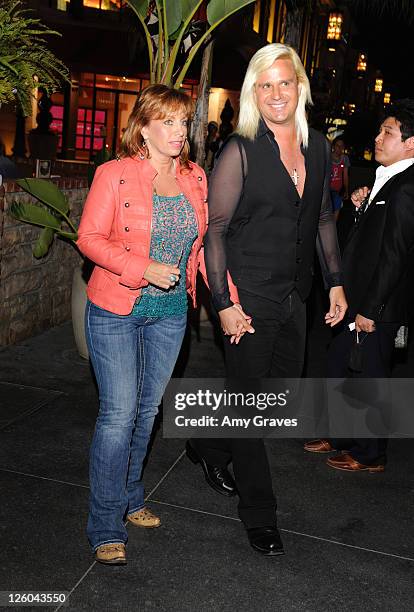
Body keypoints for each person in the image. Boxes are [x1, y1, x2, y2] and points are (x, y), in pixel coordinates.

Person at [186, 43, 347, 556]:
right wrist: (224, 302)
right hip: (247, 294)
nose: (277, 93)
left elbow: (322, 218)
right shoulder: (240, 149)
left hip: (295, 294)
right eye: (266, 85)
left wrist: (336, 280)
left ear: (299, 86)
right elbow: (215, 229)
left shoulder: (319, 147)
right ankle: (260, 514)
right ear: (255, 93)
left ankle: (208, 443)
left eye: (285, 82)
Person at [77, 84, 208, 565]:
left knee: (147, 412)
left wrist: (229, 300)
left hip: (171, 315)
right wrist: (142, 267)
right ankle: (105, 523)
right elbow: (88, 238)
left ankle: (131, 496)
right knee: (118, 415)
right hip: (116, 308)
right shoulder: (115, 174)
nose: (178, 131)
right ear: (144, 126)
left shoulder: (195, 177)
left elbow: (200, 248)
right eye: (168, 122)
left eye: (183, 122)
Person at [305, 99, 414, 471]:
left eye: (388, 132)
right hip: (352, 298)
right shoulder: (387, 179)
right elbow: (363, 241)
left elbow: (396, 255)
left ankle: (371, 454)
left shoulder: (407, 187)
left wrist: (373, 308)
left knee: (371, 377)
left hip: (374, 304)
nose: (378, 137)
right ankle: (340, 436)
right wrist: (356, 207)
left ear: (410, 143)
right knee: (338, 364)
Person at [330, 136, 350, 219]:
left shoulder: (345, 159)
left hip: (338, 191)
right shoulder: (327, 157)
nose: (339, 148)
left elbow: (345, 176)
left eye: (341, 146)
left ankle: (333, 229)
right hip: (327, 190)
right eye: (337, 146)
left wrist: (346, 190)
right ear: (333, 146)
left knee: (337, 209)